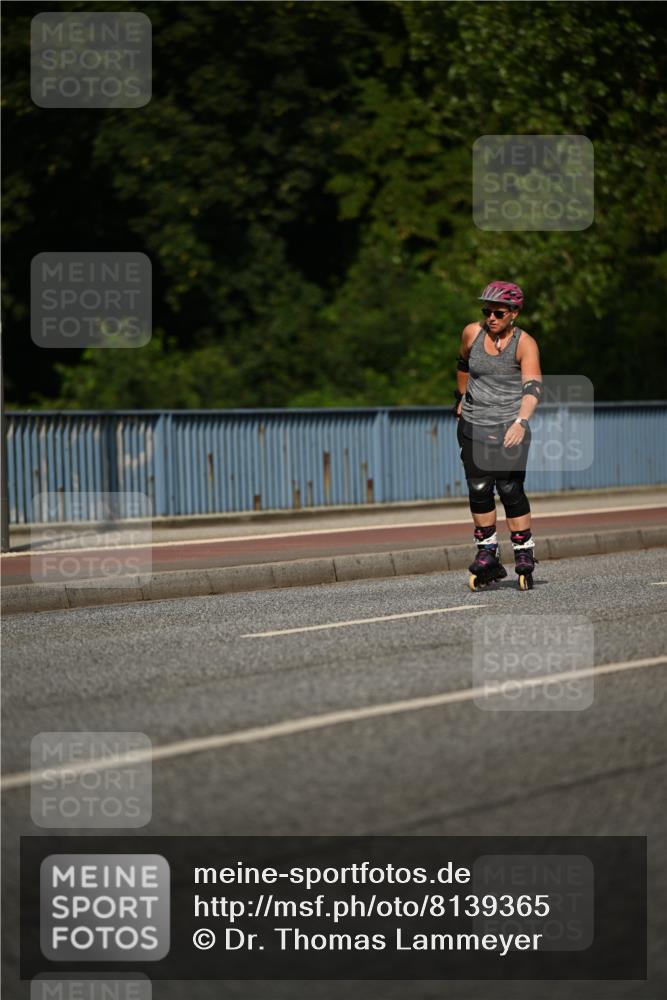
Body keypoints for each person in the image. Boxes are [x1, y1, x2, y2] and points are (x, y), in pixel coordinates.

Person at [454, 281, 543, 590]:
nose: (491, 318)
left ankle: (523, 553)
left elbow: (533, 388)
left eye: (499, 313)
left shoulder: (524, 343)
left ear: (514, 313)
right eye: (487, 311)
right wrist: (460, 398)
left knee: (508, 487)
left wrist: (521, 421)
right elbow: (463, 364)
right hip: (473, 424)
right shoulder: (472, 333)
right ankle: (487, 554)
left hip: (509, 426)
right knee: (479, 487)